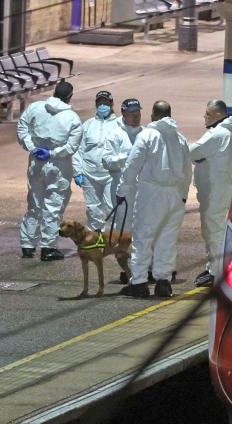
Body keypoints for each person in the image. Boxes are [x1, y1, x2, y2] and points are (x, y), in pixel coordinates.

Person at [117, 101, 190, 298]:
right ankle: (163, 282)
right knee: (166, 239)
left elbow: (132, 165)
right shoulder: (180, 138)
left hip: (151, 192)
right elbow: (187, 171)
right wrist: (182, 196)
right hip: (174, 195)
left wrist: (123, 190)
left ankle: (139, 282)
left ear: (153, 115)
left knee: (143, 237)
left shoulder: (147, 136)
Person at [18, 81, 82, 261]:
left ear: (54, 92)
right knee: (53, 206)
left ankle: (27, 245)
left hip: (36, 162)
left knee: (34, 203)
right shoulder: (72, 118)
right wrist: (53, 153)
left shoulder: (35, 108)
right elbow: (72, 147)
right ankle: (48, 247)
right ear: (70, 96)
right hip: (57, 165)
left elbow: (22, 128)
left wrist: (32, 148)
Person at [189, 100, 232, 287]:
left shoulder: (218, 134)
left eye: (208, 114)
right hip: (217, 190)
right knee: (213, 229)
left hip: (217, 192)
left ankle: (217, 272)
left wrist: (177, 146)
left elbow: (194, 151)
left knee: (214, 230)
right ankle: (213, 267)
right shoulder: (226, 132)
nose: (204, 117)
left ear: (219, 115)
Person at [102, 98, 144, 284]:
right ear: (124, 115)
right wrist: (125, 158)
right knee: (125, 229)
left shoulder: (146, 134)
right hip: (122, 189)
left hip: (142, 189)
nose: (136, 117)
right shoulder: (115, 135)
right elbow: (107, 160)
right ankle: (127, 269)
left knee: (143, 228)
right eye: (132, 114)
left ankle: (142, 267)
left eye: (138, 113)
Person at [73, 91, 119, 231]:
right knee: (93, 208)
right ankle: (95, 237)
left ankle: (111, 239)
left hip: (110, 175)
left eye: (105, 103)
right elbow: (78, 149)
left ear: (111, 104)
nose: (102, 105)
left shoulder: (119, 124)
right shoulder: (88, 125)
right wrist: (77, 172)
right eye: (100, 103)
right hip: (89, 174)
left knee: (111, 207)